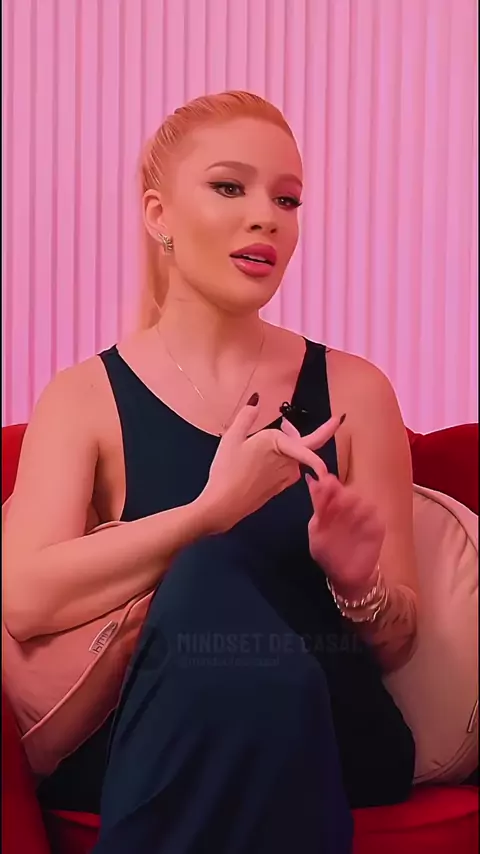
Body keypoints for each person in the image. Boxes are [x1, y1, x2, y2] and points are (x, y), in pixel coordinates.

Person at [3, 91, 419, 853]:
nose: (267, 218)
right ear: (158, 214)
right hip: (152, 728)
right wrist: (207, 514)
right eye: (230, 187)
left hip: (329, 722)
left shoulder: (357, 390)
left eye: (287, 199)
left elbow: (396, 643)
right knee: (205, 568)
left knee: (210, 577)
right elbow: (24, 602)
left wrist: (357, 584)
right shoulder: (83, 397)